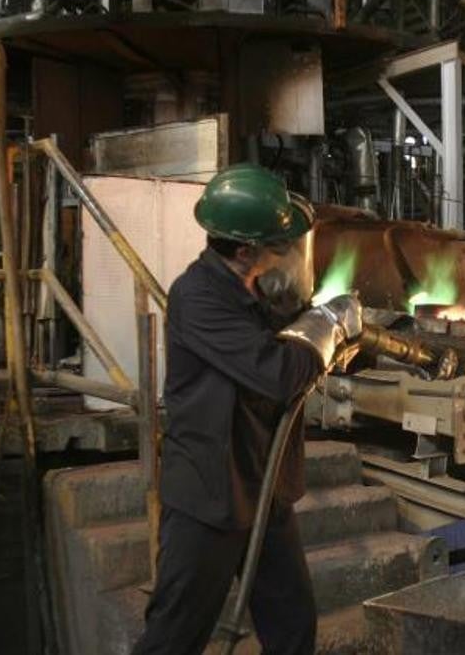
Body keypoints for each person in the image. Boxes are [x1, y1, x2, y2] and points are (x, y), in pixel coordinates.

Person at [132, 164, 361, 655]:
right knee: (175, 635)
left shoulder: (254, 289)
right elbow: (277, 372)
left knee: (292, 626)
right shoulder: (197, 297)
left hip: (264, 485)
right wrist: (329, 327)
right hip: (211, 494)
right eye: (274, 243)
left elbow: (295, 339)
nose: (283, 251)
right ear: (243, 250)